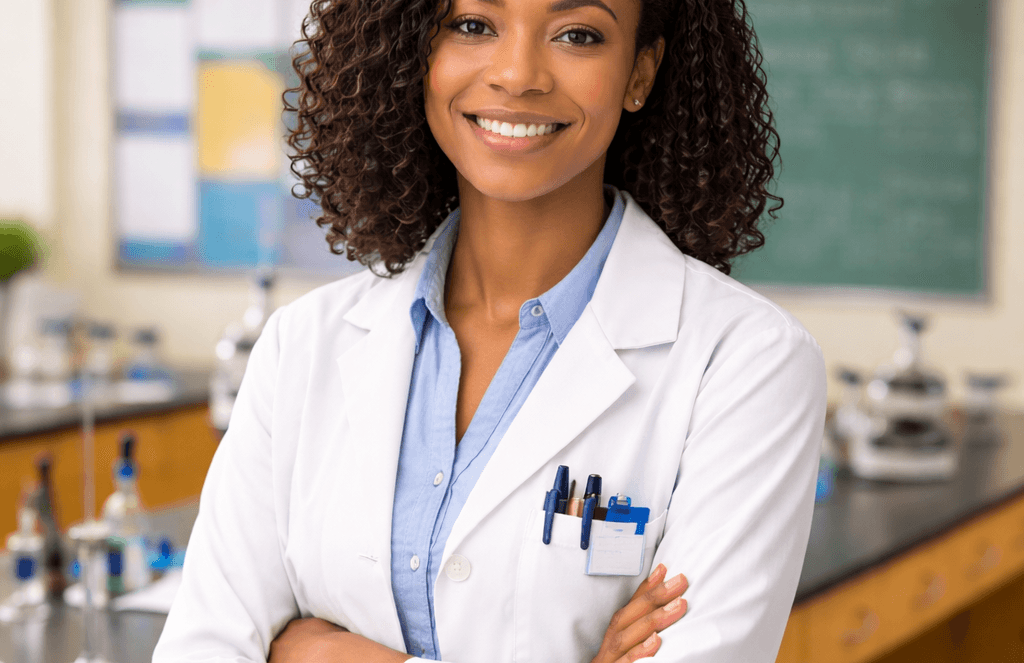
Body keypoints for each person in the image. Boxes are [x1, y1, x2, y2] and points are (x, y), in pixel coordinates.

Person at [153, 0, 826, 659]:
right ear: (416, 50)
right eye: (474, 25)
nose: (517, 73)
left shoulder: (750, 363)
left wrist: (319, 653)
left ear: (640, 73)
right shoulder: (301, 345)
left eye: (578, 34)